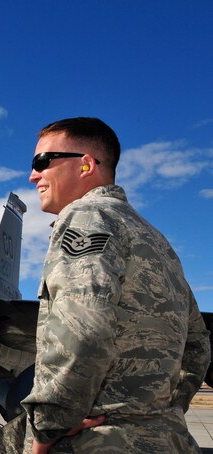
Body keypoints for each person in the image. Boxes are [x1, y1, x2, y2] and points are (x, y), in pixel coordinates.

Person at [11, 117, 210, 453]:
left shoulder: (86, 217)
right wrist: (164, 414)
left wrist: (47, 430)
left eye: (42, 162)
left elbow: (82, 329)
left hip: (98, 442)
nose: (33, 175)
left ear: (86, 165)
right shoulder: (157, 242)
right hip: (167, 440)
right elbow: (198, 345)